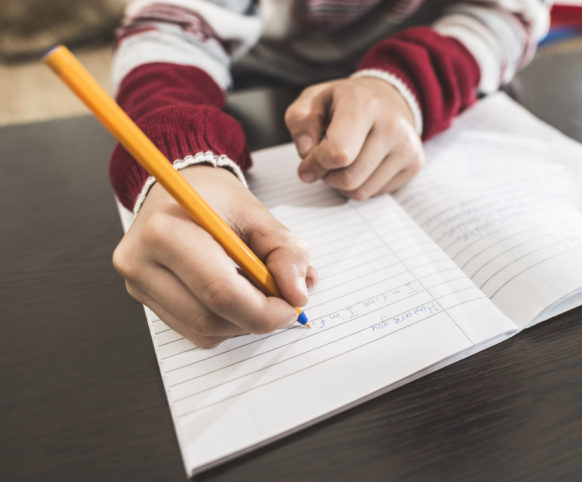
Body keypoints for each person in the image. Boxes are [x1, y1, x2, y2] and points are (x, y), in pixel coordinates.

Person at [110, 0, 552, 348]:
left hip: (443, 66)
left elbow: (508, 15)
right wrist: (181, 159)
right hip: (253, 83)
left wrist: (405, 85)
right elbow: (168, 29)